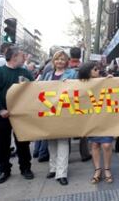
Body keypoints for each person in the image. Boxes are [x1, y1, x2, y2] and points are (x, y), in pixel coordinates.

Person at [0, 46, 35, 184]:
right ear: (14, 57)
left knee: (23, 143)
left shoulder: (25, 72)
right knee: (2, 144)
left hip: (21, 115)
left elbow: (34, 89)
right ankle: (4, 170)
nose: (24, 58)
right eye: (22, 56)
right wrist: (0, 110)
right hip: (2, 116)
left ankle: (25, 168)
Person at [43, 50, 76, 186]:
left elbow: (79, 88)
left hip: (65, 111)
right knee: (51, 141)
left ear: (66, 61)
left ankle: (61, 173)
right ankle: (53, 168)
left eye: (62, 59)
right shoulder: (47, 75)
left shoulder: (72, 74)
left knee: (62, 141)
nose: (60, 61)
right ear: (54, 61)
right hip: (50, 111)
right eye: (57, 59)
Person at [78, 62, 114, 184]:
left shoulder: (104, 81)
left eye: (98, 69)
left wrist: (111, 80)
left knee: (107, 145)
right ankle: (98, 170)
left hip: (105, 118)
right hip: (91, 119)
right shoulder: (81, 84)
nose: (98, 71)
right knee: (94, 145)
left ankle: (107, 169)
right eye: (95, 69)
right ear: (88, 71)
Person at [68, 46, 92, 162]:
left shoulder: (66, 67)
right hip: (82, 101)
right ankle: (84, 154)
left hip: (68, 101)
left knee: (67, 127)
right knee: (83, 129)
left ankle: (65, 154)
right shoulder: (84, 67)